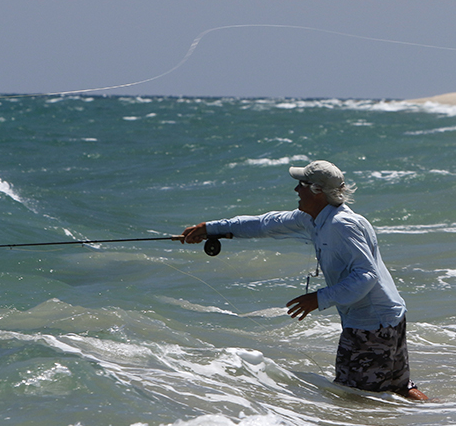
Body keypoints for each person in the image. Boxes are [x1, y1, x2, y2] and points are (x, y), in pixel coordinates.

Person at [181, 160, 427, 401]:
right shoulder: (313, 218)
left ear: (317, 191)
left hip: (372, 326)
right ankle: (442, 417)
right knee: (400, 389)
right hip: (388, 316)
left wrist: (319, 298)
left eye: (302, 184)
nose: (296, 189)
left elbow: (366, 275)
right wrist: (211, 229)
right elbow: (266, 224)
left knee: (356, 399)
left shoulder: (342, 224)